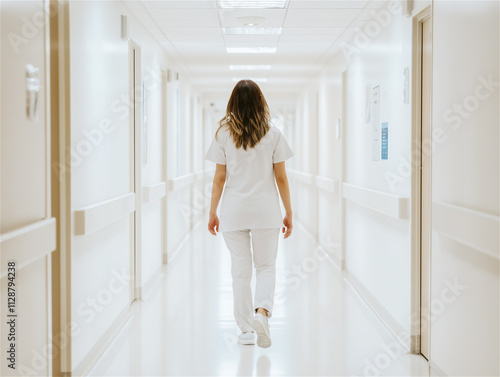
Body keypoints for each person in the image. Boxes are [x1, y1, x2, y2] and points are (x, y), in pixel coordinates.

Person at [205, 80, 293, 348]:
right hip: (266, 212)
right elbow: (281, 177)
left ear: (233, 103)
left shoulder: (223, 134)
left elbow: (219, 178)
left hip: (233, 212)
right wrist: (288, 212)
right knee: (265, 266)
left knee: (240, 272)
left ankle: (245, 331)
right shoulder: (273, 134)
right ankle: (262, 313)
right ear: (260, 102)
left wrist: (212, 212)